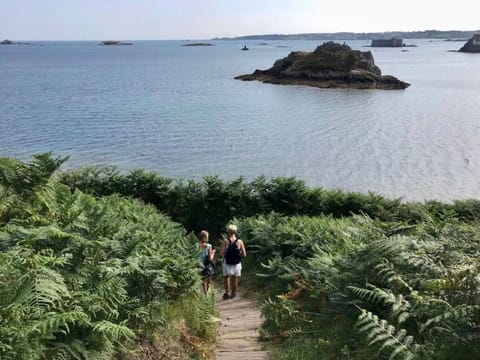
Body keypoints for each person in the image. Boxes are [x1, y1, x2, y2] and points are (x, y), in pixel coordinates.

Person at [220, 224, 246, 300]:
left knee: (226, 277)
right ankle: (233, 293)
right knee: (235, 278)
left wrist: (225, 251)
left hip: (227, 262)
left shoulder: (225, 241)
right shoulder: (240, 241)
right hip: (236, 262)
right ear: (235, 232)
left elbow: (221, 253)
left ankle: (227, 293)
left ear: (228, 232)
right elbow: (244, 254)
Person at [198, 230, 216, 294]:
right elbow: (210, 258)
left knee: (202, 279)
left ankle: (204, 292)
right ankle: (207, 292)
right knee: (208, 278)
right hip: (206, 264)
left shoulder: (196, 245)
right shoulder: (209, 246)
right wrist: (213, 252)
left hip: (199, 265)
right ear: (206, 237)